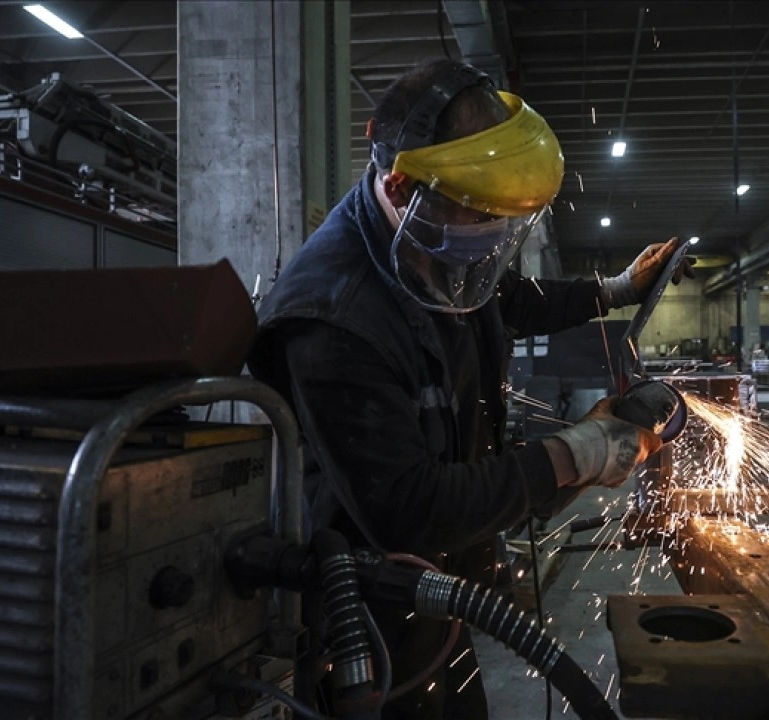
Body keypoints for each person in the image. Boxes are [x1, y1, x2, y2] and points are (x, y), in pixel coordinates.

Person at [248, 58, 692, 719]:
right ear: (402, 186)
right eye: (474, 221)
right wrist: (577, 454)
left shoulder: (429, 238)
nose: (486, 244)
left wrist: (614, 290)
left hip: (443, 591)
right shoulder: (330, 320)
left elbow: (504, 294)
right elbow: (410, 508)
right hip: (366, 615)